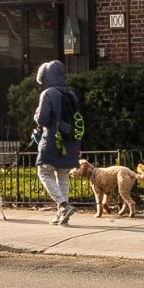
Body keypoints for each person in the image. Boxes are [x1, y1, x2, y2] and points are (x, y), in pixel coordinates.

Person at [31, 60, 80, 226]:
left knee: (43, 172)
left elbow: (43, 119)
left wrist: (36, 115)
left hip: (52, 141)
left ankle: (63, 205)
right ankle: (63, 214)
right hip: (69, 142)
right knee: (63, 175)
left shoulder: (48, 94)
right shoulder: (71, 94)